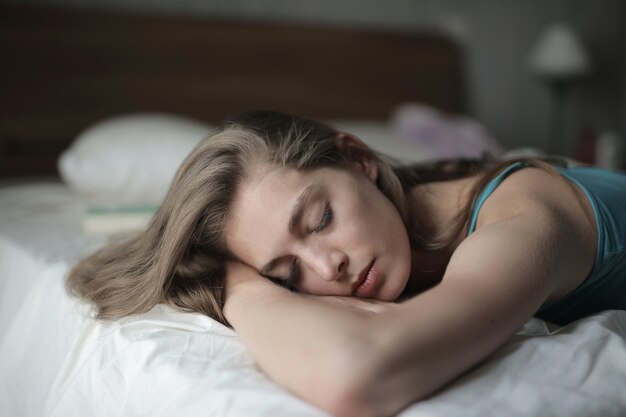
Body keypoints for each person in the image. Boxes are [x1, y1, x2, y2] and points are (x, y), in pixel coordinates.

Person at [67, 110, 626, 417]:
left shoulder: (521, 218)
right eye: (286, 274)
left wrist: (238, 285)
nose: (326, 268)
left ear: (360, 160)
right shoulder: (400, 221)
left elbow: (355, 376)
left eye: (320, 220)